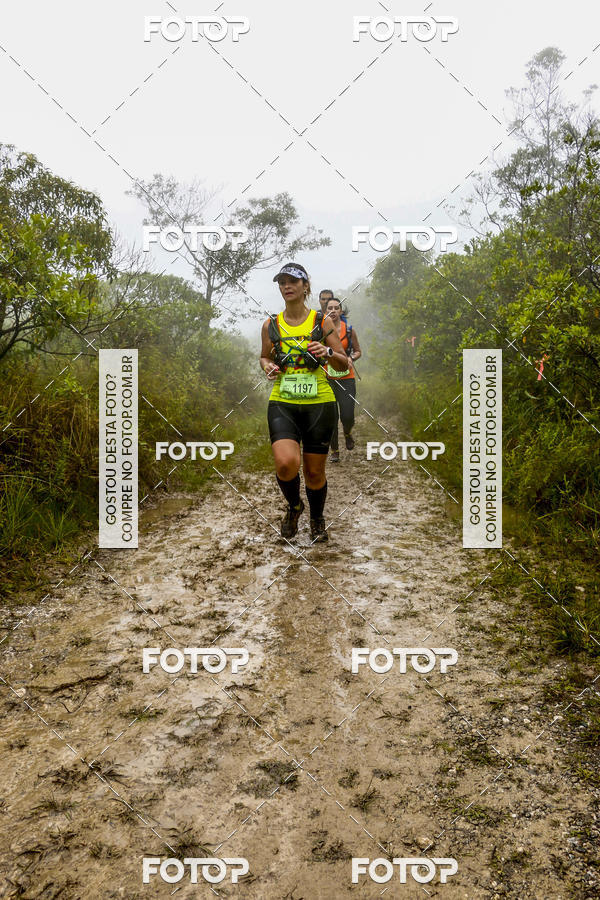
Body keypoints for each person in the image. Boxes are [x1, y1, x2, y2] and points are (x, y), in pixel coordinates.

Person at [260, 264, 348, 542]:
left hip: (319, 404)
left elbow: (343, 361)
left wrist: (327, 350)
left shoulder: (321, 322)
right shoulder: (271, 324)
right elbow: (264, 356)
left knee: (313, 472)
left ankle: (317, 518)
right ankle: (295, 506)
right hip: (282, 402)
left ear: (305, 286)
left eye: (293, 282)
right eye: (283, 282)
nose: (287, 286)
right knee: (286, 463)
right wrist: (268, 367)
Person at [324, 297, 362, 462]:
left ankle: (347, 432)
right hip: (327, 378)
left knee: (347, 415)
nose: (332, 310)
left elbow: (358, 351)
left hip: (347, 377)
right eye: (329, 308)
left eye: (336, 308)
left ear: (341, 311)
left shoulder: (349, 330)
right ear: (325, 312)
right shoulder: (321, 330)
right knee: (331, 416)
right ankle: (335, 451)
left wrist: (351, 358)